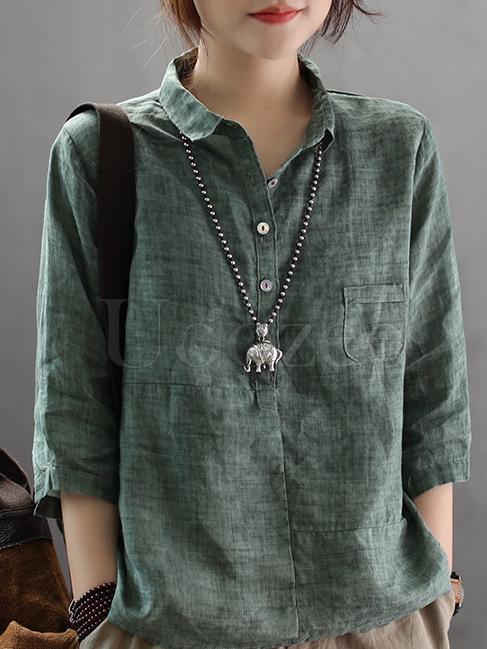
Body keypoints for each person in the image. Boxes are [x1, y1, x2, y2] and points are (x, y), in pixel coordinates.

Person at [31, 1, 471, 648]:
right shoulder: (100, 154)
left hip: (387, 621)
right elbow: (74, 405)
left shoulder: (397, 148)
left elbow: (432, 390)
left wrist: (435, 596)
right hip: (168, 627)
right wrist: (99, 609)